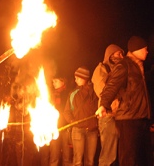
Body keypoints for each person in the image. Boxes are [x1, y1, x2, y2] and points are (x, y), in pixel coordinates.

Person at [96, 36, 152, 166]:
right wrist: (103, 105)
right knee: (129, 158)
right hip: (128, 120)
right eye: (145, 49)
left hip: (141, 119)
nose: (147, 52)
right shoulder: (124, 65)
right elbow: (111, 86)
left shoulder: (139, 67)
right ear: (137, 49)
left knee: (144, 158)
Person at [91, 44, 124, 166]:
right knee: (108, 153)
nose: (121, 56)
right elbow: (103, 90)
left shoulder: (120, 70)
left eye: (122, 54)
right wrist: (116, 98)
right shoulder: (101, 69)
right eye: (118, 54)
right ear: (110, 55)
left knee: (119, 152)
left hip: (121, 114)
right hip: (108, 115)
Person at [64, 66, 98, 166]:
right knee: (78, 161)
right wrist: (71, 121)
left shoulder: (95, 91)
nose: (75, 80)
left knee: (90, 161)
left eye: (78, 77)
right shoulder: (73, 94)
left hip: (92, 130)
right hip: (78, 130)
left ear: (85, 78)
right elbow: (66, 111)